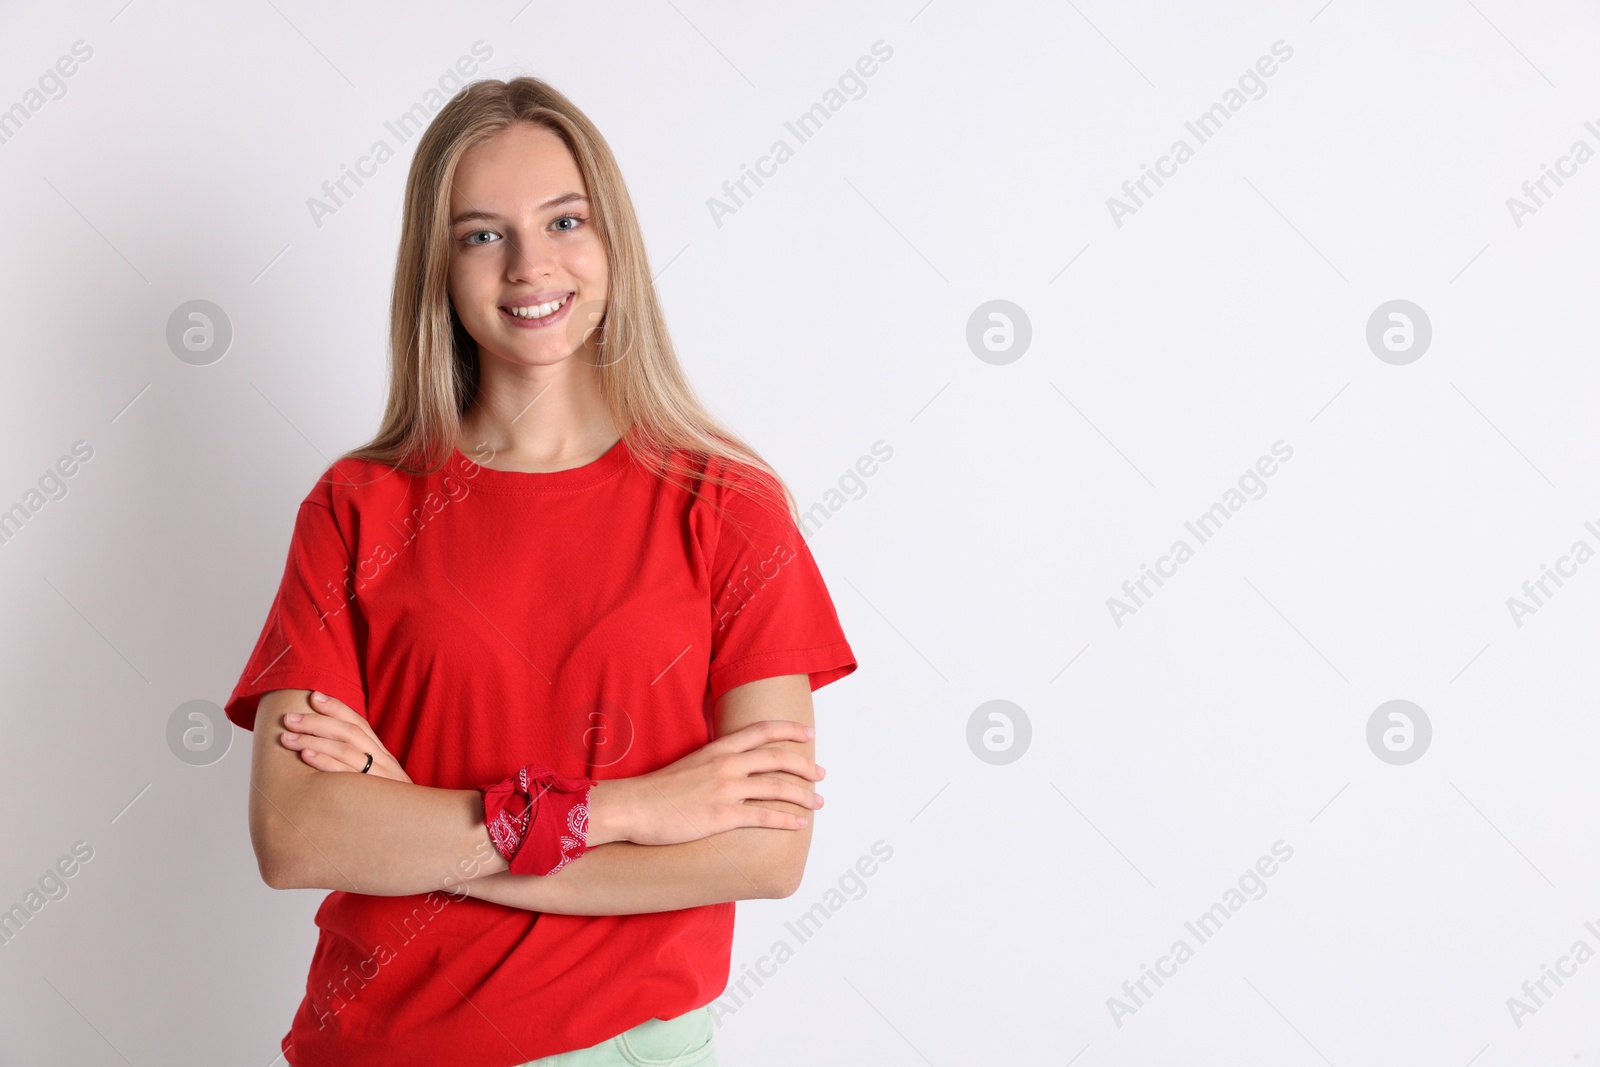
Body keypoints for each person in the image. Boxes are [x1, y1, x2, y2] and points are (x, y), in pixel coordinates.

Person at [222, 75, 857, 1067]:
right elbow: (297, 833)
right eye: (482, 234)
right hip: (380, 1043)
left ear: (613, 244)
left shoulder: (728, 509)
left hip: (628, 1044)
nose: (530, 264)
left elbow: (764, 850)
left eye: (565, 219)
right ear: (438, 266)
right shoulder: (357, 507)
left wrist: (428, 833)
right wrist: (629, 809)